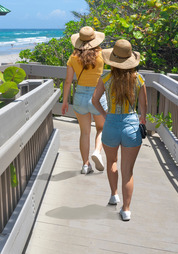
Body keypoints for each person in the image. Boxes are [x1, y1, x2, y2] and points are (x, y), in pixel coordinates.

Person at [92, 39, 147, 222]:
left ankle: (114, 194)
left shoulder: (106, 79)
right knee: (128, 171)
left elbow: (94, 100)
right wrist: (142, 120)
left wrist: (106, 114)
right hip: (131, 125)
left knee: (111, 161)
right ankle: (126, 209)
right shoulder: (139, 79)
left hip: (111, 125)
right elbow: (144, 107)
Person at [61, 26, 108, 175]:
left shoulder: (73, 58)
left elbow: (68, 82)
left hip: (80, 96)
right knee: (101, 128)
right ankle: (97, 151)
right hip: (98, 96)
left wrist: (65, 101)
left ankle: (85, 165)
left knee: (84, 132)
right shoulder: (102, 55)